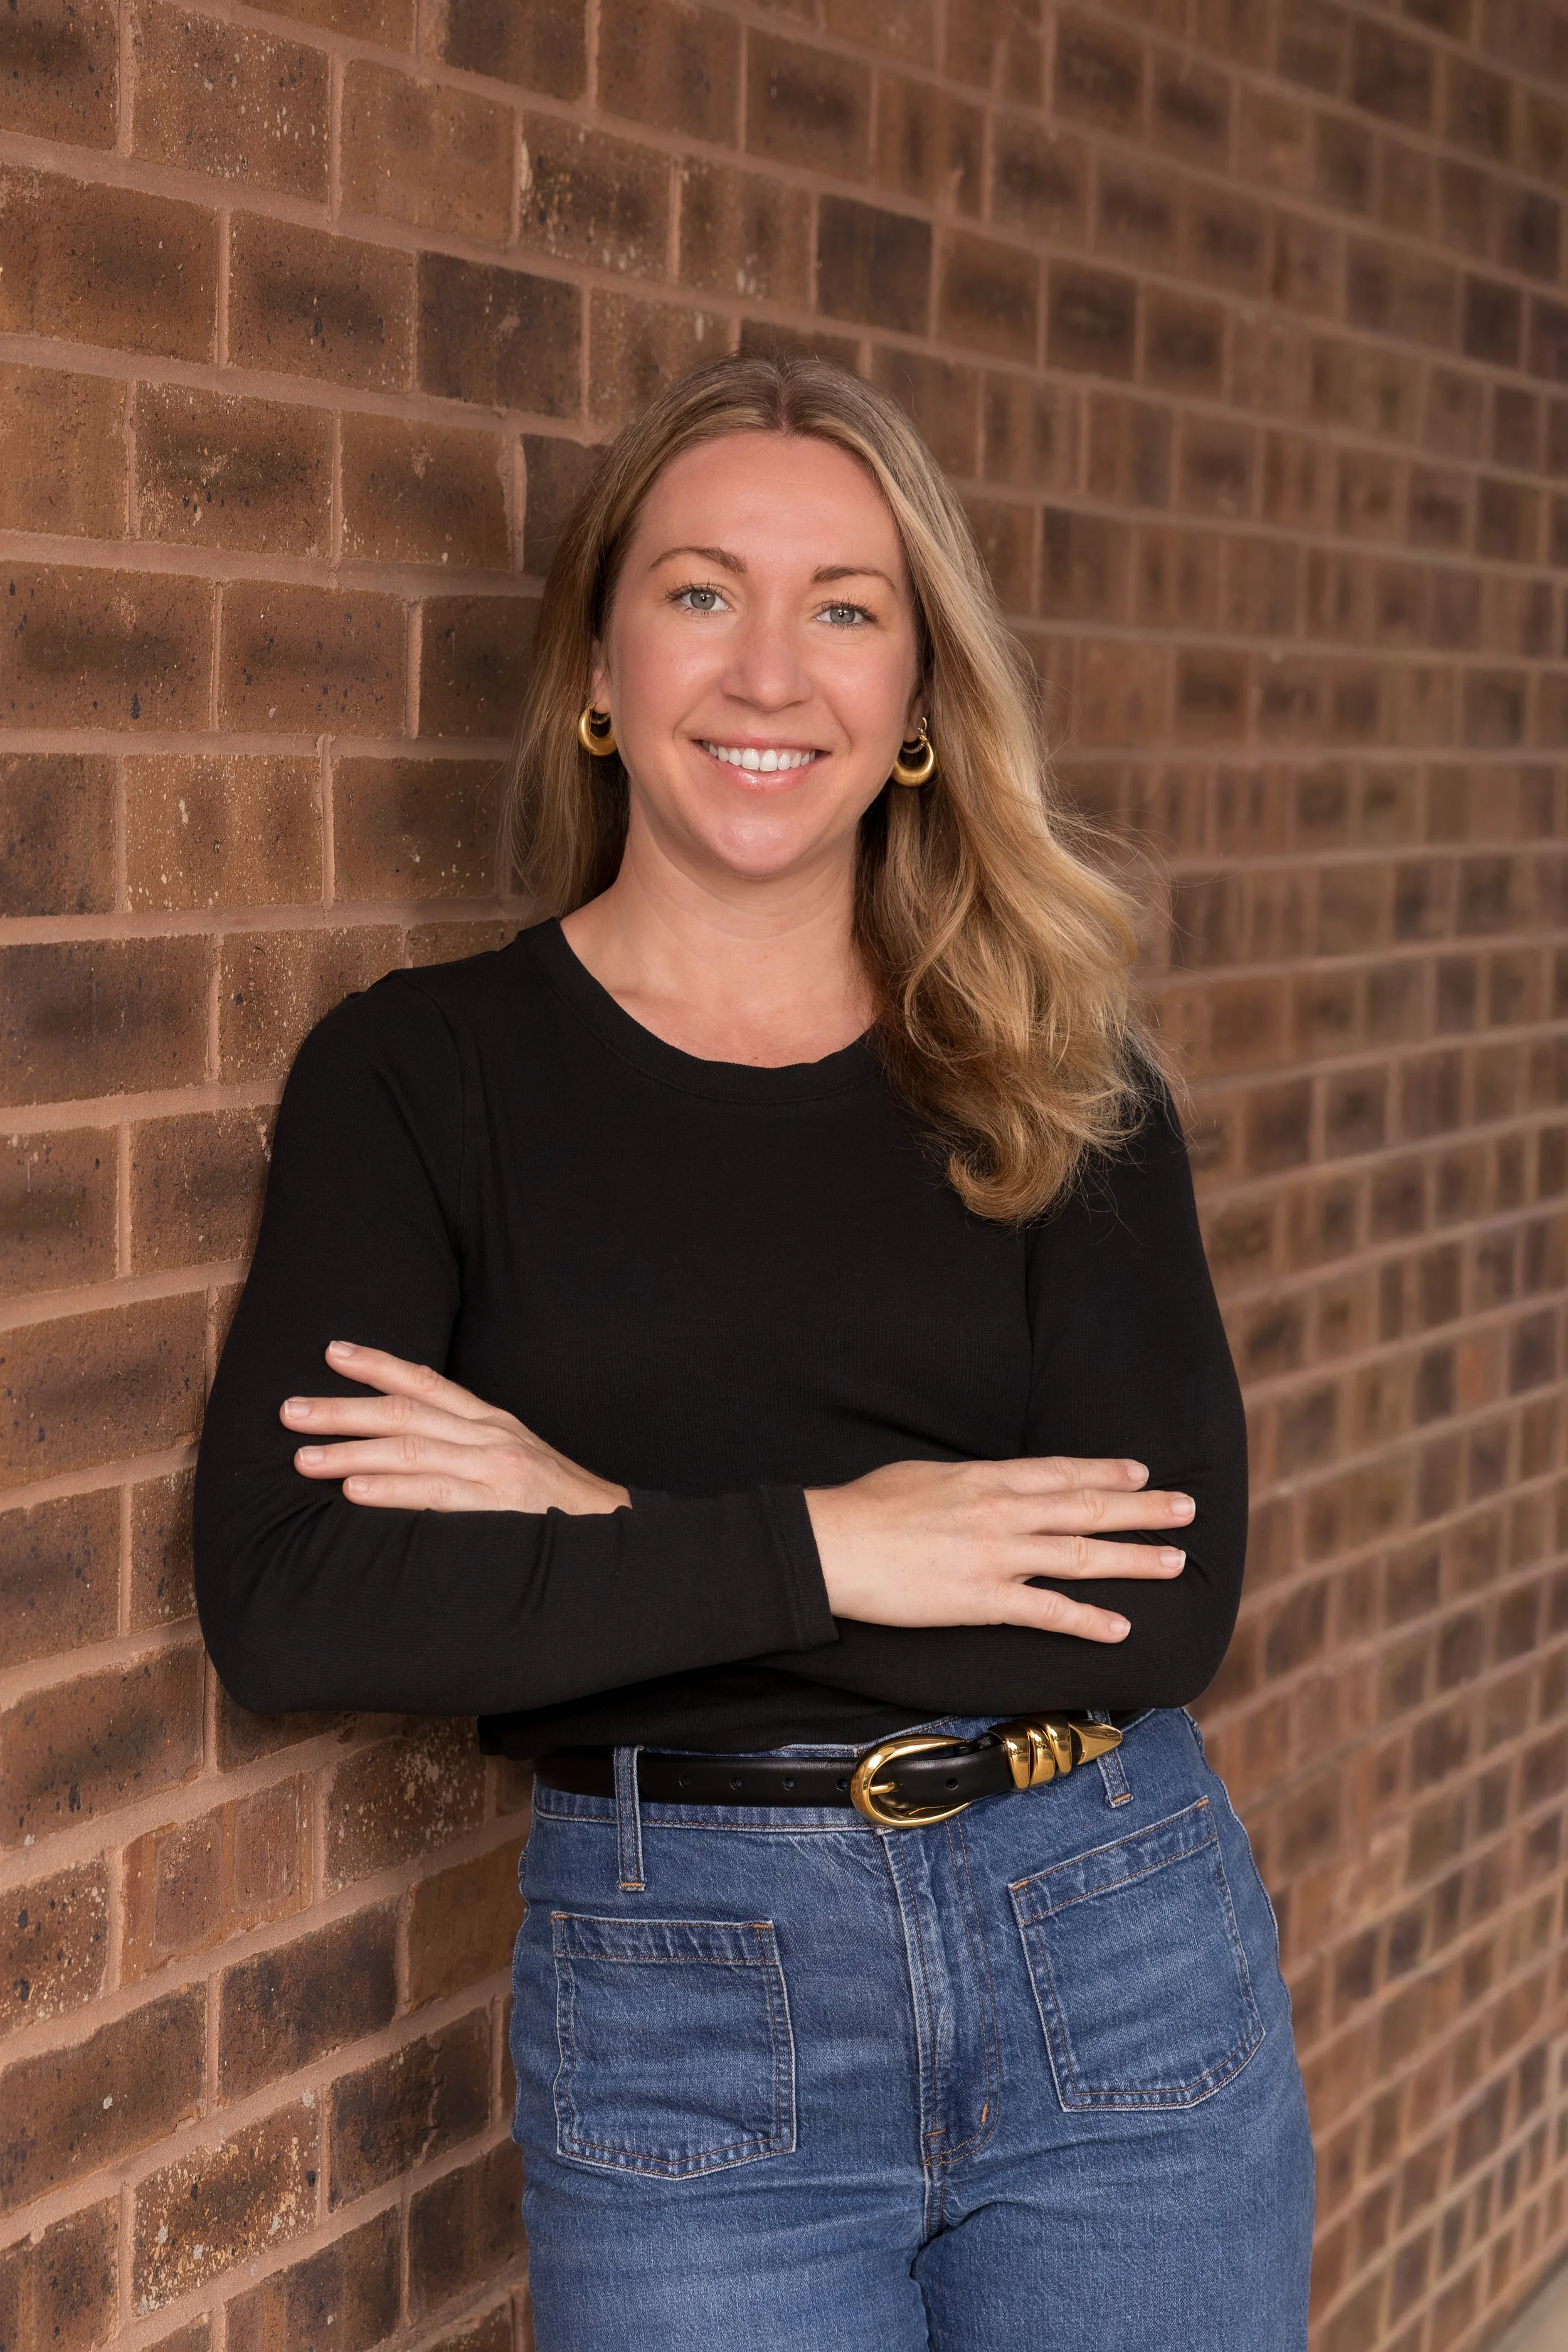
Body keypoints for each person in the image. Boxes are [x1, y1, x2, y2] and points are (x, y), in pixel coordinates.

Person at [194, 351, 1314, 2350]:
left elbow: (1151, 1606)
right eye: (705, 591)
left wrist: (597, 1520)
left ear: (910, 705)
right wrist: (833, 1544)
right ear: (599, 673)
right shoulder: (423, 1077)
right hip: (686, 2009)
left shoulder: (1056, 1082)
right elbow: (301, 1600)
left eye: (846, 609)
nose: (772, 674)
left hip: (1112, 1960)